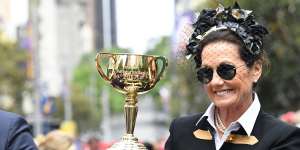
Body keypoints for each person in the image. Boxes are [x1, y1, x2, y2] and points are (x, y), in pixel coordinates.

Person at [165, 2, 300, 150]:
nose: (215, 82)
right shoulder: (180, 131)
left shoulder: (284, 138)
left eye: (226, 70)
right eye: (206, 73)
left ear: (256, 69)